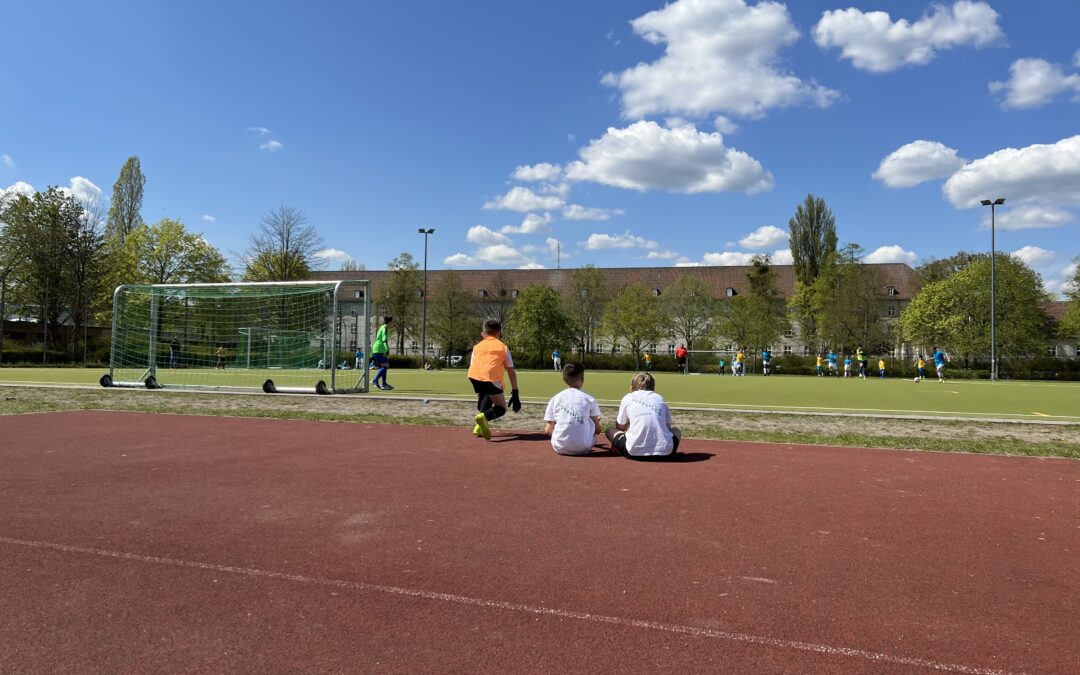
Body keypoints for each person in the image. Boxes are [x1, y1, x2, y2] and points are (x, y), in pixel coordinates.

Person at [605, 372, 681, 459]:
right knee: (676, 430)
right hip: (666, 452)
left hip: (633, 452)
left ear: (632, 386)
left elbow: (620, 427)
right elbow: (668, 427)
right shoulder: (659, 398)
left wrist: (615, 444)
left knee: (610, 430)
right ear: (653, 386)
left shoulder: (628, 398)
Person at [468, 320, 520, 440]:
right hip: (491, 377)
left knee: (487, 395)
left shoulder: (476, 347)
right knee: (501, 408)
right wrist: (515, 391)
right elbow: (511, 372)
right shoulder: (503, 347)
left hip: (473, 376)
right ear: (499, 333)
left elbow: (473, 365)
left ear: (483, 333)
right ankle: (483, 419)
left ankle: (478, 427)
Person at [543, 363, 602, 456]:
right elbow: (598, 430)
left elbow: (548, 430)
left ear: (564, 379)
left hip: (559, 447)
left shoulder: (555, 399)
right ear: (582, 379)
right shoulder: (589, 399)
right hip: (584, 447)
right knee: (590, 421)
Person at [372, 316, 393, 390]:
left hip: (379, 349)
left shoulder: (382, 327)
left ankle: (384, 384)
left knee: (384, 366)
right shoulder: (385, 328)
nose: (392, 324)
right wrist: (387, 348)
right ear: (389, 322)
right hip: (378, 349)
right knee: (385, 365)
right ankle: (375, 380)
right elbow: (384, 339)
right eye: (392, 322)